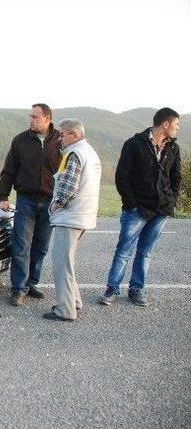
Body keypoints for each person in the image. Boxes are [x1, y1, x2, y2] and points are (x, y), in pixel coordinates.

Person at [99, 108, 181, 307]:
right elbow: (122, 177)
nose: (178, 129)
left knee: (145, 252)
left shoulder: (173, 148)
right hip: (136, 210)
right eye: (176, 125)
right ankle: (112, 289)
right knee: (124, 251)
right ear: (165, 124)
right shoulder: (134, 144)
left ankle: (136, 290)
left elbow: (176, 178)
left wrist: (171, 201)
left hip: (160, 211)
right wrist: (132, 204)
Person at [0, 103, 61, 306]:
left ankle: (31, 283)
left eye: (35, 117)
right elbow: (8, 170)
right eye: (30, 116)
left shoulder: (60, 140)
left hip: (51, 202)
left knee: (41, 246)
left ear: (47, 118)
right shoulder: (20, 140)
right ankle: (18, 289)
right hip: (25, 201)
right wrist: (4, 196)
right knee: (21, 246)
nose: (30, 120)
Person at [43, 119, 101, 321]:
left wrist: (54, 205)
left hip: (70, 216)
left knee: (61, 264)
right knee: (68, 263)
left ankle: (65, 310)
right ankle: (74, 302)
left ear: (75, 135)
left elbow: (68, 187)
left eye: (62, 134)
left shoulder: (73, 154)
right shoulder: (90, 152)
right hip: (84, 215)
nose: (59, 138)